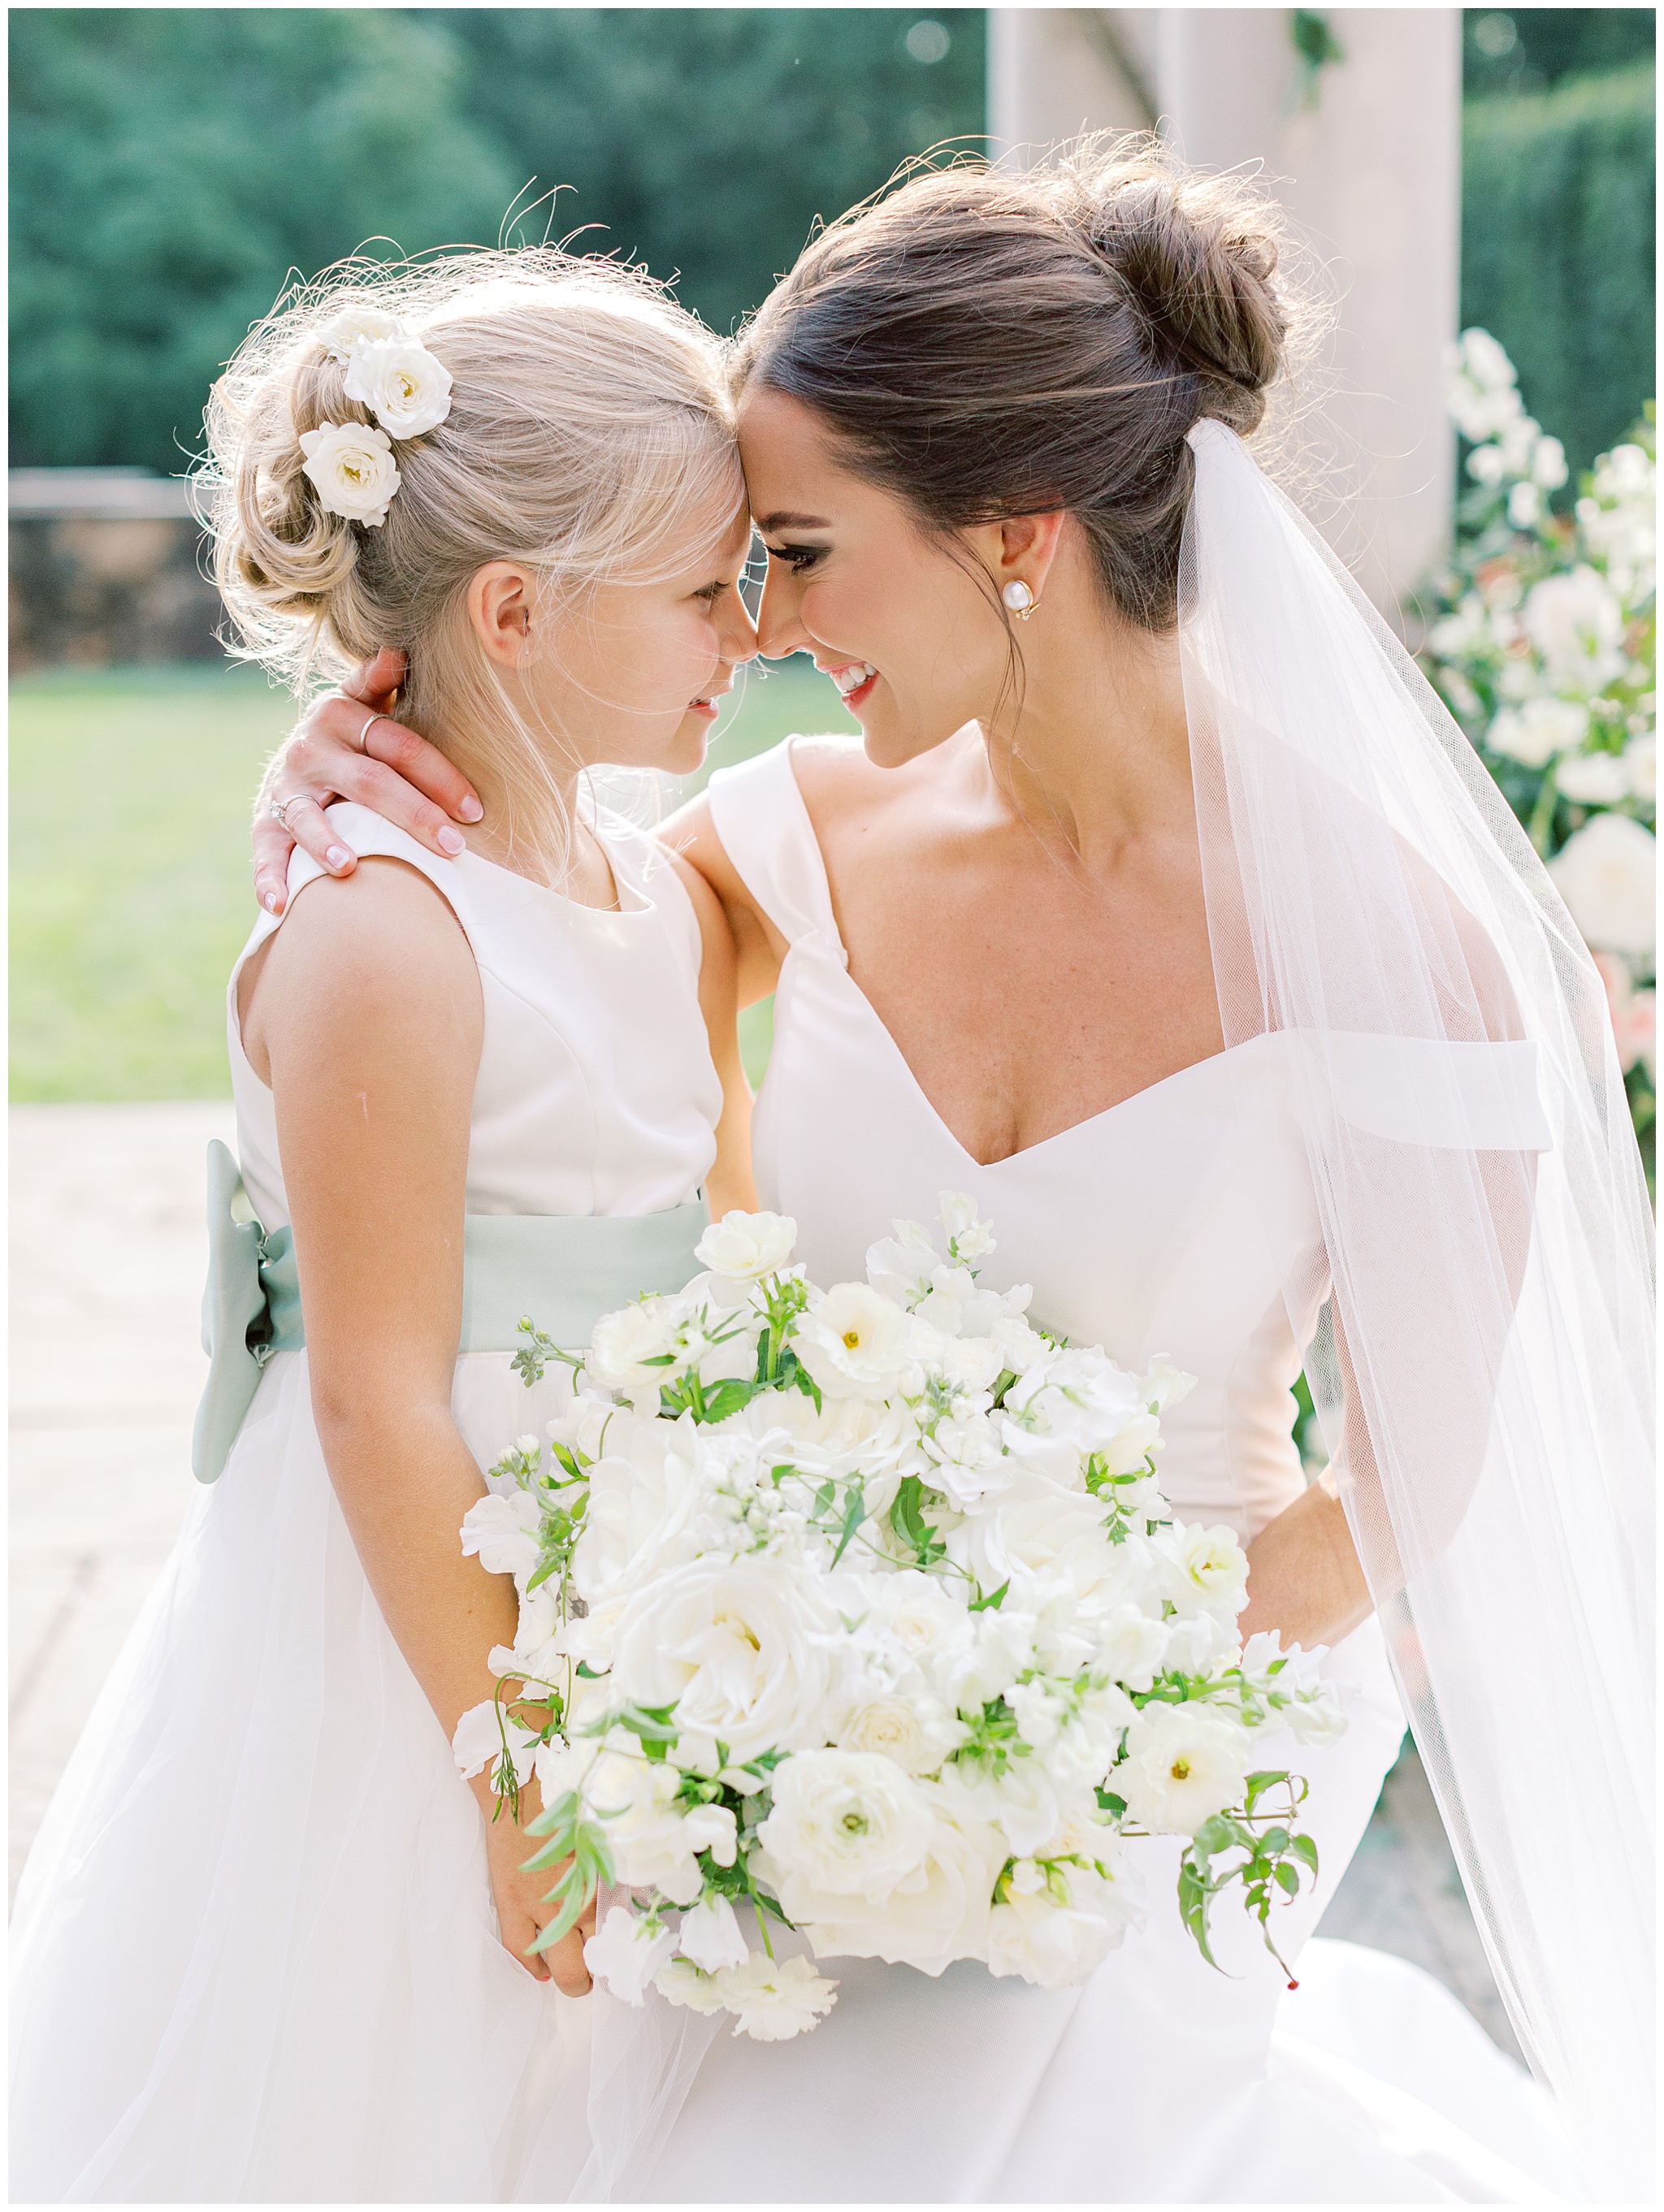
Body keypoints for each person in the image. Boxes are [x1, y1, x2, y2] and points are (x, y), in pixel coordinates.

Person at [249, 143, 1652, 2203]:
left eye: (803, 552)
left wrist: (1056, 1734)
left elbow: (1402, 1490)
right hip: (779, 1703)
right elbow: (506, 948)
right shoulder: (786, 845)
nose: (767, 623)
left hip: (1192, 1721)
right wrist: (361, 772)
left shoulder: (1400, 960)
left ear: (1015, 536)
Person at [8, 248, 760, 2203]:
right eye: (704, 590)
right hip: (427, 1623)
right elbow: (373, 1394)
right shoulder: (383, 937)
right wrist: (512, 1774)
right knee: (397, 2073)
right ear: (514, 610)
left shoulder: (657, 884)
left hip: (637, 1563)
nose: (748, 630)